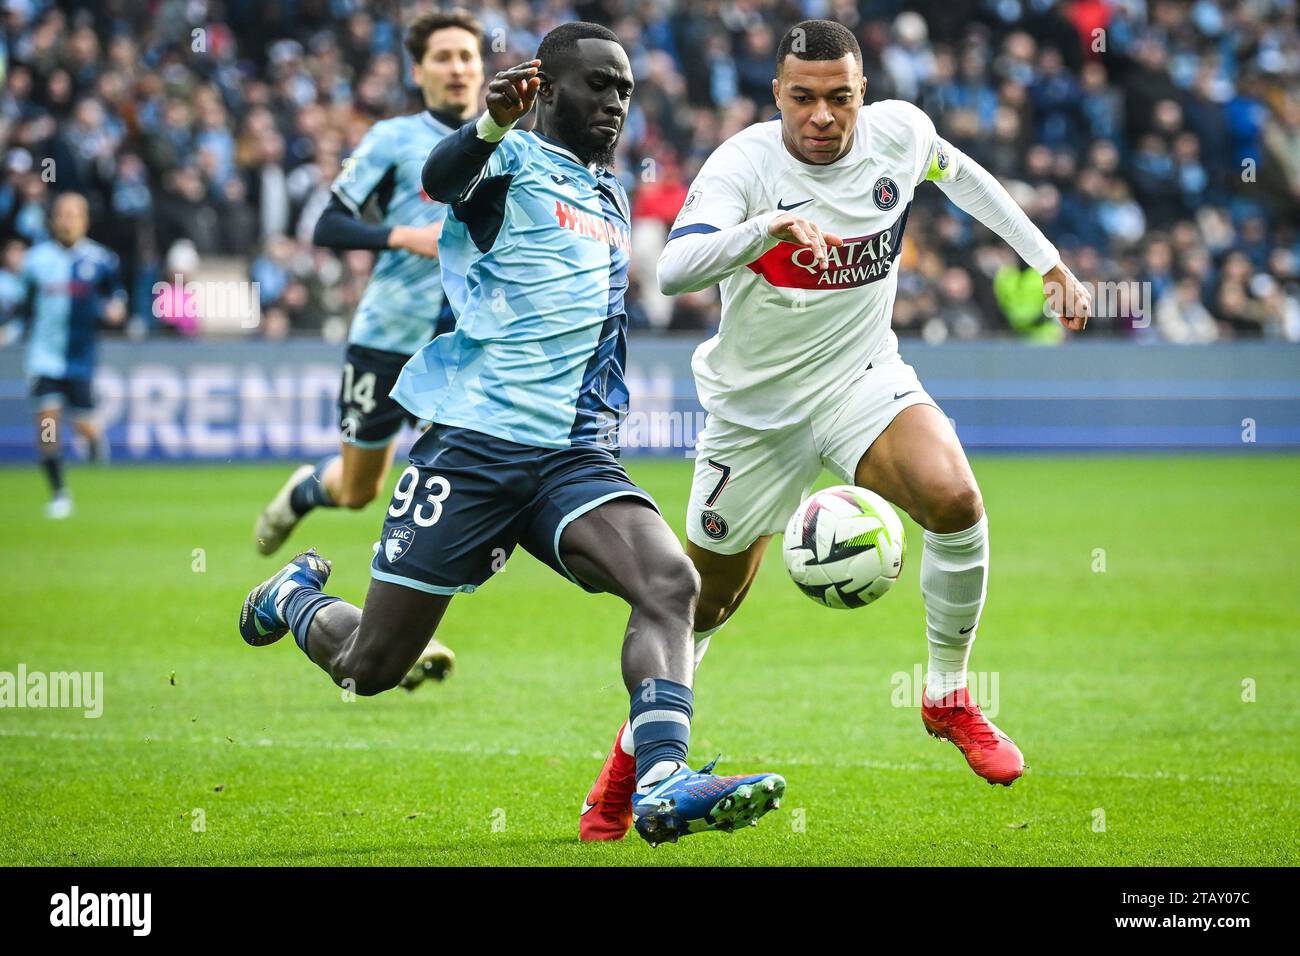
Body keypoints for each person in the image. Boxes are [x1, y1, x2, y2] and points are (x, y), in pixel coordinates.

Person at [237, 22, 784, 847]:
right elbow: (439, 176)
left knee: (671, 583)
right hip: (474, 448)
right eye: (597, 85)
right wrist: (490, 121)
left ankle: (665, 779)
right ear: (548, 89)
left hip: (572, 457)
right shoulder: (505, 162)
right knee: (371, 669)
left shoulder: (609, 192)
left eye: (624, 89)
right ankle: (296, 597)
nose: (613, 102)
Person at [579, 19, 1092, 841]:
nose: (823, 116)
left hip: (861, 380)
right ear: (778, 94)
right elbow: (673, 269)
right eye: (804, 98)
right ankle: (626, 765)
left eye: (840, 97)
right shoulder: (744, 164)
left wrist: (1047, 260)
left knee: (955, 499)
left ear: (863, 93)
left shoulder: (899, 133)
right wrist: (765, 231)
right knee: (700, 608)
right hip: (753, 415)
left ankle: (947, 695)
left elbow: (965, 177)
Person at [252, 10, 487, 685]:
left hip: (465, 348)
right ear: (418, 71)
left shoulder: (511, 142)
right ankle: (305, 492)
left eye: (466, 56)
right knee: (361, 490)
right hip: (387, 338)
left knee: (453, 485)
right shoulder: (393, 139)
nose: (456, 68)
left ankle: (394, 632)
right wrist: (399, 236)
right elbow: (324, 223)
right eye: (442, 57)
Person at [12, 192, 125, 519]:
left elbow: (116, 295)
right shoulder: (36, 261)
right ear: (53, 219)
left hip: (80, 360)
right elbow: (23, 305)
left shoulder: (101, 260)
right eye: (62, 214)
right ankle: (59, 493)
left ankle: (94, 444)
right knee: (48, 425)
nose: (68, 220)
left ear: (85, 220)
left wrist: (115, 309)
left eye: (74, 214)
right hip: (43, 358)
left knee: (85, 426)